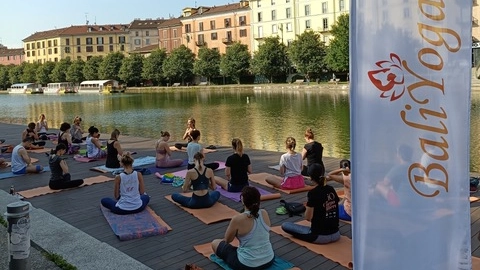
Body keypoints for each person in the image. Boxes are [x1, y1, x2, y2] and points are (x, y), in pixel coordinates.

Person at [211, 186, 275, 269]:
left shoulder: (238, 219)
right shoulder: (264, 213)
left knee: (215, 243)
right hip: (269, 260)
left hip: (247, 264)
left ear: (243, 201)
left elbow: (227, 240)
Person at [281, 163, 340, 244]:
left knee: (285, 225)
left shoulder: (313, 193)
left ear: (310, 177)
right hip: (336, 234)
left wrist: (308, 207)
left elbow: (308, 217)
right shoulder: (331, 189)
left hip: (319, 236)